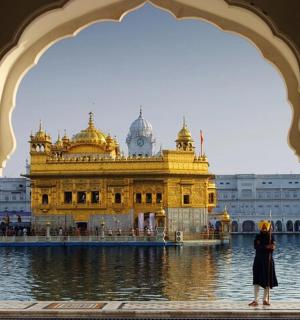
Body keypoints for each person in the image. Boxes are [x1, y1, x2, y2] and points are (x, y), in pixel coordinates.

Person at [249, 220, 278, 306]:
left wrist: (272, 246)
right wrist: (266, 246)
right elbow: (256, 247)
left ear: (268, 228)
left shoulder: (271, 237)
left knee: (267, 280)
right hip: (258, 261)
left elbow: (273, 247)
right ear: (261, 228)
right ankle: (256, 300)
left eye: (266, 227)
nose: (264, 228)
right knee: (256, 280)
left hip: (268, 261)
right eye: (263, 227)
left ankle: (265, 300)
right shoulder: (257, 237)